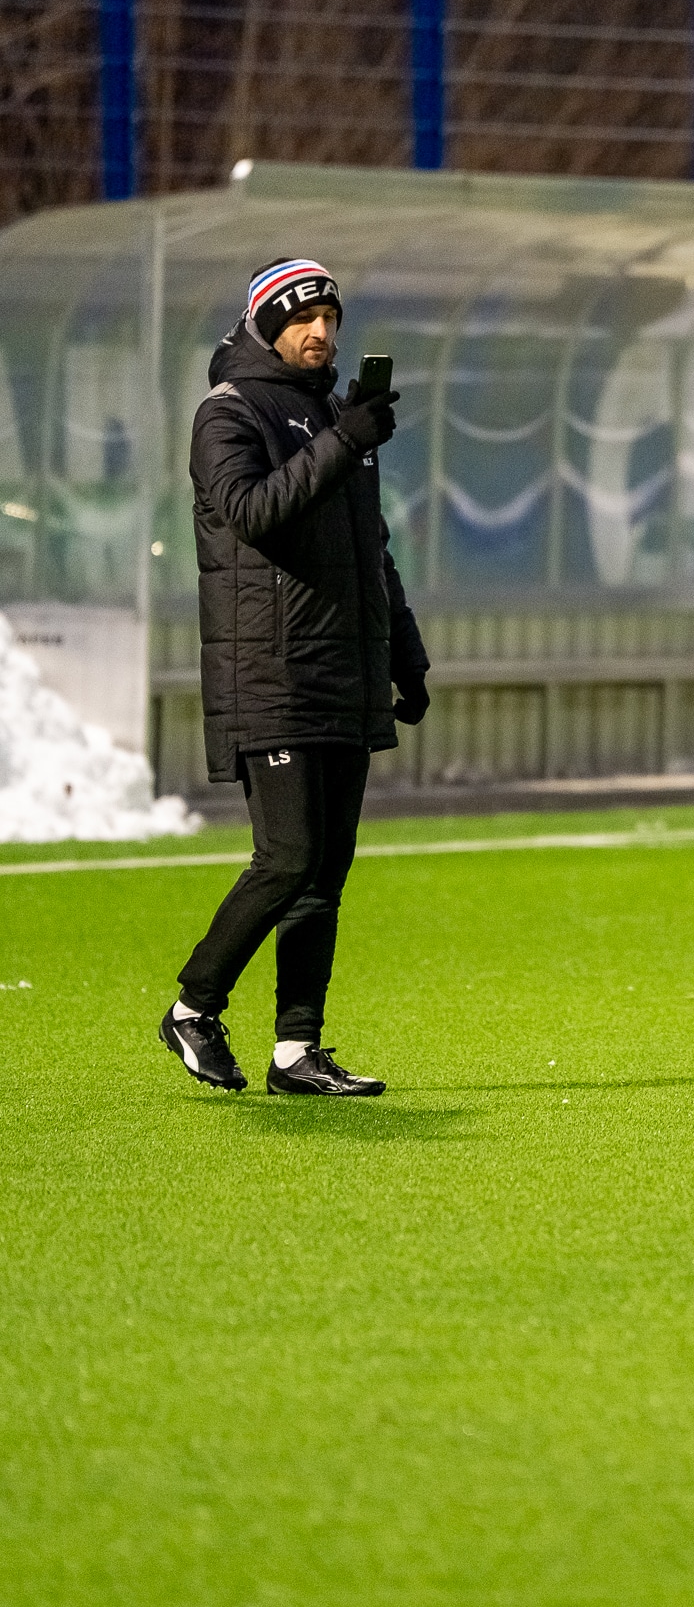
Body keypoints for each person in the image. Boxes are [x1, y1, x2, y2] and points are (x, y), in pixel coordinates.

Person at [159, 257, 430, 1097]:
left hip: (341, 672)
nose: (321, 332)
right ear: (267, 326)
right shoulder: (228, 411)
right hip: (268, 671)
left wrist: (405, 654)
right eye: (302, 318)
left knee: (325, 873)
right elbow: (252, 515)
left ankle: (295, 1051)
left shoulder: (339, 418)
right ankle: (192, 1009)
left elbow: (368, 554)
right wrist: (346, 441)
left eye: (331, 319)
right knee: (288, 858)